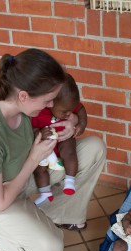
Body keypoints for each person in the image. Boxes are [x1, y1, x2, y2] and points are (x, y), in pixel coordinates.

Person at [0, 48, 106, 251]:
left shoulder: (20, 101)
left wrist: (72, 123)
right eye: (48, 101)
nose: (52, 106)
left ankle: (58, 215)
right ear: (24, 96)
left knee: (94, 148)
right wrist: (34, 158)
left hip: (23, 173)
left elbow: (69, 111)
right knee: (50, 248)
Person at [31, 73, 87, 206]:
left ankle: (69, 181)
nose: (69, 113)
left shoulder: (67, 103)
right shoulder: (37, 110)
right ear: (50, 102)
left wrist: (81, 124)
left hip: (62, 138)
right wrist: (38, 132)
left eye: (70, 110)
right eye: (65, 111)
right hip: (44, 146)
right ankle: (45, 193)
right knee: (39, 169)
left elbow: (81, 109)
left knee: (69, 151)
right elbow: (28, 129)